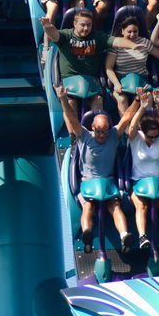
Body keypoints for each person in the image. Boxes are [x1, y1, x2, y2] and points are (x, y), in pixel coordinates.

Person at [55, 82, 143, 253]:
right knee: (89, 206)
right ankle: (87, 232)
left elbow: (126, 118)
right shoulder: (84, 135)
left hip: (108, 182)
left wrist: (138, 100)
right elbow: (72, 118)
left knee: (115, 206)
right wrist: (64, 99)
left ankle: (124, 235)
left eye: (105, 132)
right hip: (88, 182)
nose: (102, 135)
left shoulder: (113, 135)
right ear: (92, 128)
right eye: (99, 132)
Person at [40, 10, 138, 115]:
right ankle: (74, 131)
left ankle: (96, 129)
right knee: (71, 103)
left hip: (92, 81)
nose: (86, 28)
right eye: (82, 25)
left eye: (89, 25)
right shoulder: (66, 35)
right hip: (69, 80)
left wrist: (132, 45)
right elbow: (54, 35)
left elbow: (117, 41)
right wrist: (48, 26)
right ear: (75, 24)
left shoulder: (98, 37)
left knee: (98, 102)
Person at [123, 88, 159, 249]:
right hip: (138, 181)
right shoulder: (135, 139)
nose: (153, 139)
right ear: (144, 133)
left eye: (155, 136)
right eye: (150, 136)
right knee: (141, 206)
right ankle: (142, 237)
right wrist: (142, 106)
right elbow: (132, 126)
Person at [104, 14, 159, 116]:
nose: (132, 34)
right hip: (122, 81)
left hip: (142, 80)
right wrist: (116, 84)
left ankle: (144, 126)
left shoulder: (144, 43)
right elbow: (109, 67)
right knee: (121, 99)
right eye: (129, 32)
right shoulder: (117, 44)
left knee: (148, 98)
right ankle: (126, 128)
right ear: (122, 31)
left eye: (135, 31)